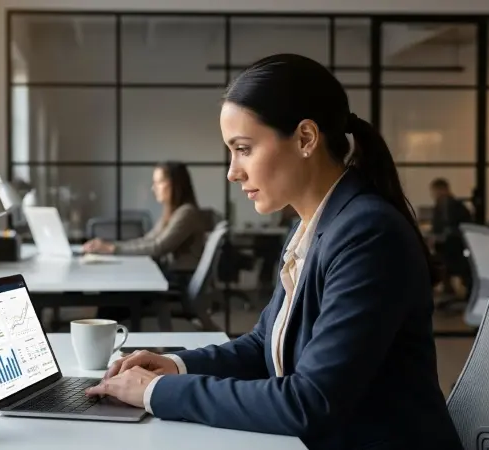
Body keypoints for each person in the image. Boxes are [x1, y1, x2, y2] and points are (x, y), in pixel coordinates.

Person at [85, 54, 463, 449]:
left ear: (305, 138)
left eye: (244, 149)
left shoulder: (367, 234)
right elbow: (263, 342)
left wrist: (155, 393)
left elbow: (309, 401)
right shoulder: (311, 225)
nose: (233, 171)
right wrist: (176, 365)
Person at [83, 161, 207, 283]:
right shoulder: (173, 213)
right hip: (171, 274)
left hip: (180, 278)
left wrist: (112, 248)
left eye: (159, 182)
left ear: (176, 184)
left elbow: (158, 247)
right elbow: (147, 240)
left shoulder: (187, 213)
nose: (154, 188)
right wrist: (109, 246)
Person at [429, 178, 473, 299]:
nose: (433, 195)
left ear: (441, 190)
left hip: (451, 252)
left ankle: (446, 289)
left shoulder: (444, 205)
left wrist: (434, 238)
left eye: (434, 192)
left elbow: (445, 232)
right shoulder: (458, 205)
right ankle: (448, 288)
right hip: (462, 251)